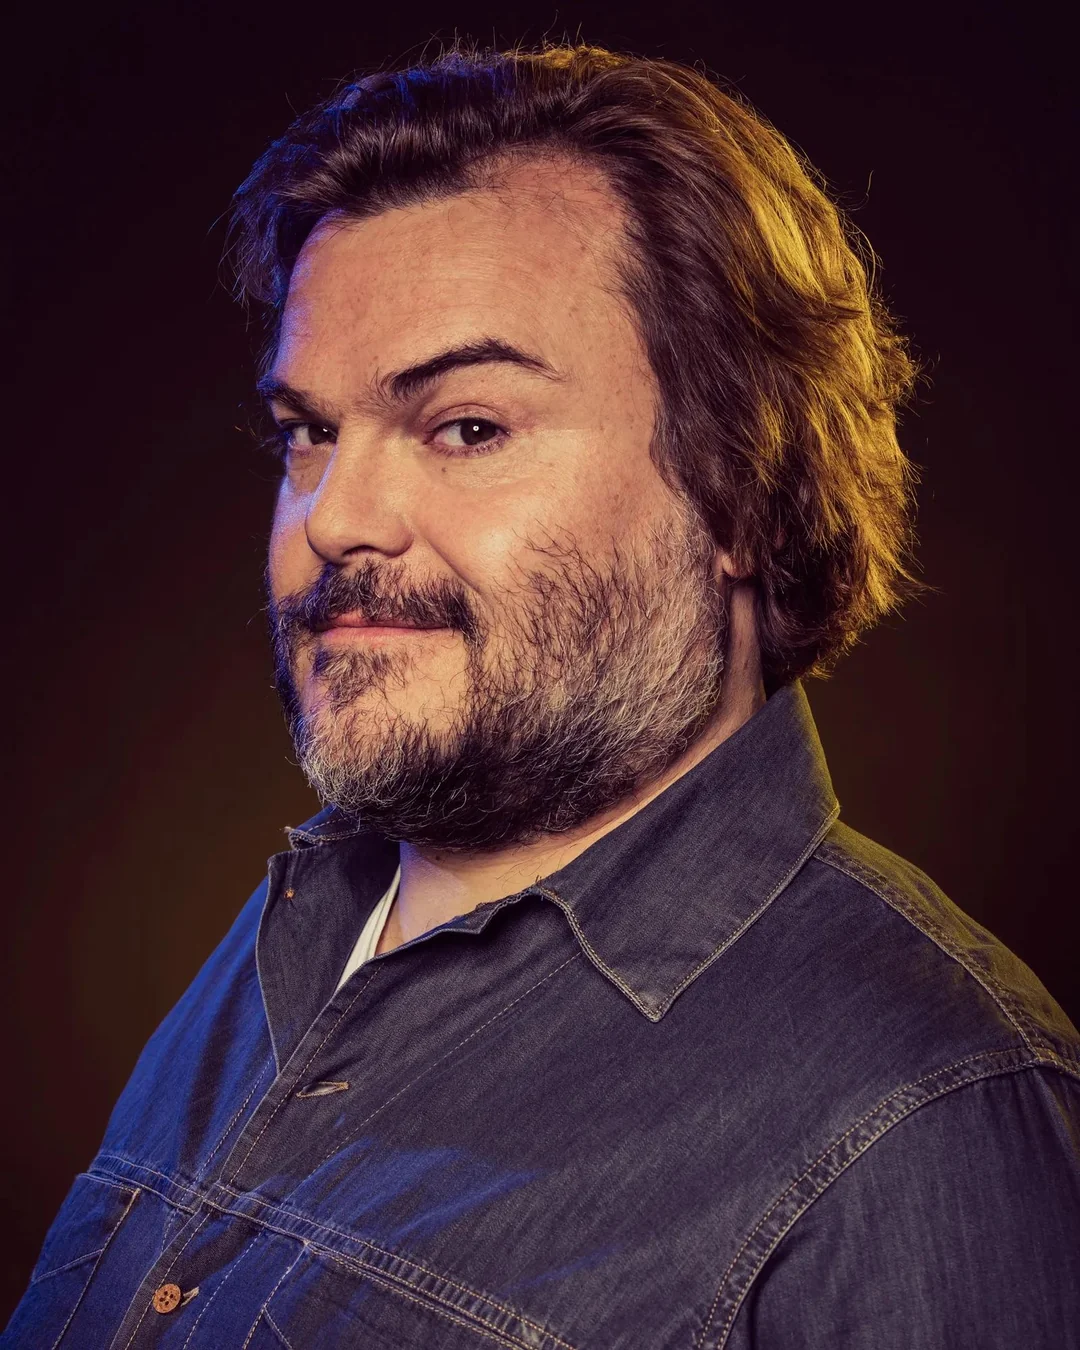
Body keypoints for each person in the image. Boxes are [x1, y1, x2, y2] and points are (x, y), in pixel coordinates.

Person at [5, 41, 1078, 1350]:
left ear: (739, 486)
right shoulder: (297, 931)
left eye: (466, 427)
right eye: (309, 431)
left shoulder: (925, 1121)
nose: (333, 516)